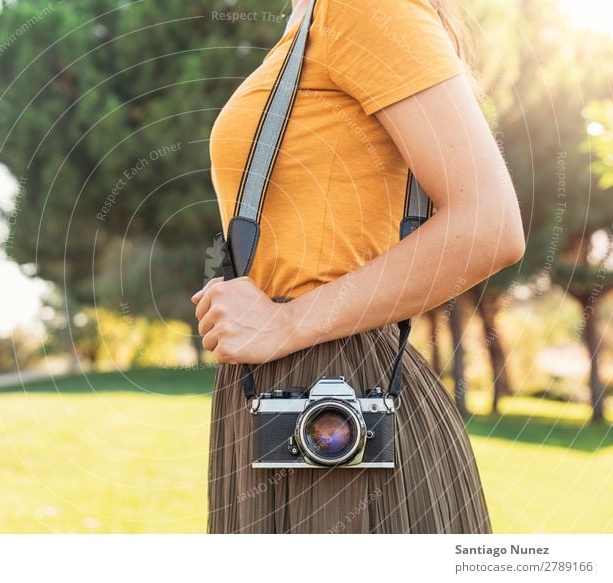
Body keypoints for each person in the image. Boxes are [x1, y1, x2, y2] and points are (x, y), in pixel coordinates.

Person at [192, 0, 525, 534]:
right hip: (280, 386)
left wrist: (284, 322)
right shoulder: (308, 19)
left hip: (330, 387)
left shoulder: (362, 7)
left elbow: (490, 223)